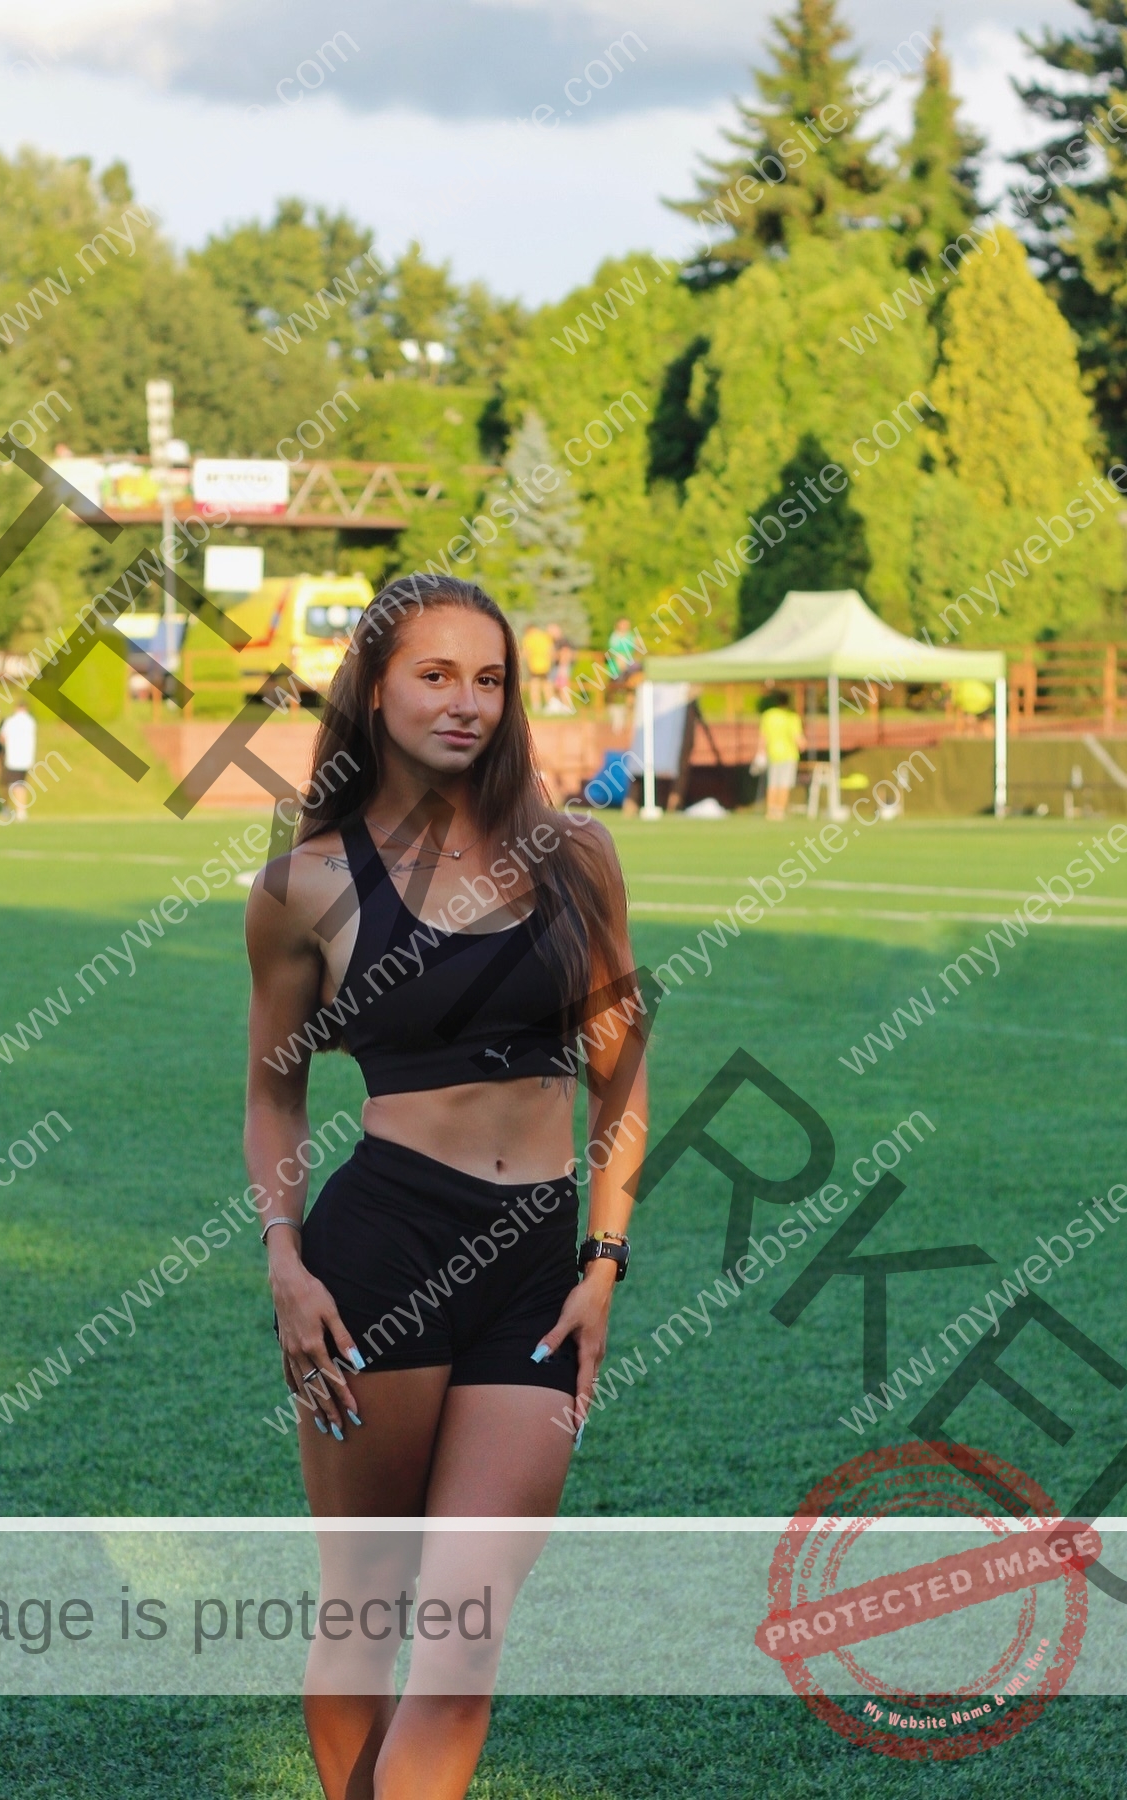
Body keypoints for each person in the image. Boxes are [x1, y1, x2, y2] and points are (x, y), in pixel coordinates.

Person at [244, 573, 646, 1800]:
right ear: (371, 688)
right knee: (367, 1603)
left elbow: (622, 1076)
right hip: (380, 1257)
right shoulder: (305, 882)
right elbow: (274, 1093)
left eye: (489, 678)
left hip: (536, 1266)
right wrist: (286, 1258)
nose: (467, 702)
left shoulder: (576, 851)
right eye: (435, 674)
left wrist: (604, 1261)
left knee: (465, 1637)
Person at [754, 690, 806, 821]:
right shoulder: (791, 717)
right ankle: (779, 811)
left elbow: (762, 737)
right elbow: (797, 738)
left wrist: (760, 752)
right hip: (788, 755)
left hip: (773, 753)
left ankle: (771, 811)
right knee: (783, 784)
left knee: (772, 784)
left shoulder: (768, 716)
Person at [0, 701, 37, 819]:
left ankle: (17, 810)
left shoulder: (10, 721)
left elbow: (2, 737)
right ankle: (21, 810)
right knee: (22, 783)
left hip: (13, 758)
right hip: (26, 758)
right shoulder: (31, 721)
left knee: (14, 785)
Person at [519, 620, 554, 713]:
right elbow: (550, 650)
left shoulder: (528, 637)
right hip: (546, 665)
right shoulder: (545, 636)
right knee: (547, 685)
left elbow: (526, 652)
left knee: (535, 686)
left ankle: (536, 706)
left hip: (534, 665)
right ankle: (550, 704)